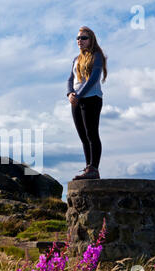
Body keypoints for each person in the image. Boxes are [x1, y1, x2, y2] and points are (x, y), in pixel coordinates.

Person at [67, 26, 108, 180]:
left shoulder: (96, 56)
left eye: (83, 38)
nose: (80, 41)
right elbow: (70, 79)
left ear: (91, 40)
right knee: (83, 136)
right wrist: (70, 93)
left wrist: (79, 95)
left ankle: (94, 168)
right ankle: (88, 169)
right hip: (76, 100)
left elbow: (94, 78)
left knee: (92, 133)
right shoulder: (75, 59)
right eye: (78, 38)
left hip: (92, 98)